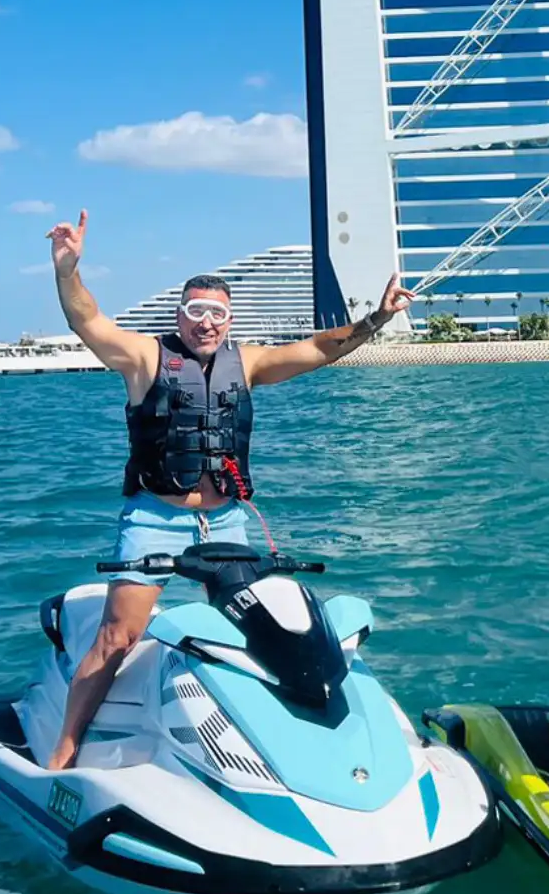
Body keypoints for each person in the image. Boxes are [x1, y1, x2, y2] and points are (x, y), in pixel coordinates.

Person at [44, 208, 414, 769]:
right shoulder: (145, 359)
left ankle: (278, 743)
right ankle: (65, 748)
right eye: (196, 312)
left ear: (230, 319)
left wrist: (376, 320)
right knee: (118, 636)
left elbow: (320, 349)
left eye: (217, 313)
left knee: (259, 628)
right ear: (180, 314)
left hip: (226, 521)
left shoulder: (250, 363)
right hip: (156, 518)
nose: (206, 323)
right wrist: (68, 271)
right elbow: (88, 321)